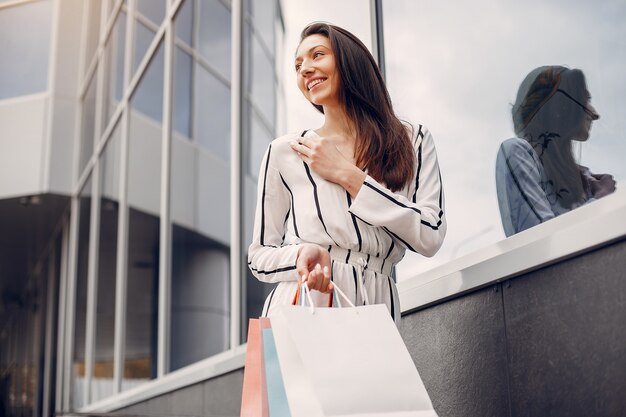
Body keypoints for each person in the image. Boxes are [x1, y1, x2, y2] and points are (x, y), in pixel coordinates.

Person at [247, 22, 446, 321]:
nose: (305, 69)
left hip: (380, 307)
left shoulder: (411, 140)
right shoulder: (286, 151)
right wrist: (299, 256)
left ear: (349, 61)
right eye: (298, 65)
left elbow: (430, 236)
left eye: (317, 55)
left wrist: (348, 175)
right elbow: (259, 255)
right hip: (303, 303)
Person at [496, 66, 616, 237]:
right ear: (561, 105)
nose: (594, 113)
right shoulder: (517, 152)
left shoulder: (585, 179)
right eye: (585, 99)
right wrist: (601, 200)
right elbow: (541, 242)